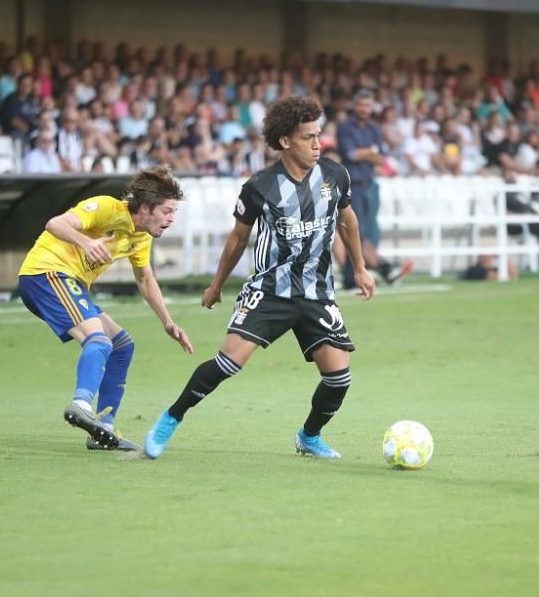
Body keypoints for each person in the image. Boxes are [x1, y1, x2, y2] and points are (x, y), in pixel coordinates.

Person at [143, 94, 377, 460]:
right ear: (285, 141)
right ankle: (171, 418)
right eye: (307, 137)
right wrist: (217, 285)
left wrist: (360, 268)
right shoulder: (260, 186)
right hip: (270, 290)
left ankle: (309, 436)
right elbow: (238, 237)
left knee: (338, 378)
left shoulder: (335, 175)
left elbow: (347, 219)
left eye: (319, 136)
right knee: (228, 363)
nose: (317, 144)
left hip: (317, 293)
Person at [17, 166, 193, 451]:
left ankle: (103, 427)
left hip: (67, 282)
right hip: (45, 274)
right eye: (168, 211)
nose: (172, 219)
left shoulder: (141, 236)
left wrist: (168, 322)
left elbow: (145, 278)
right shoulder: (106, 208)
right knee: (98, 340)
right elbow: (55, 224)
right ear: (146, 208)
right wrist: (85, 242)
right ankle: (81, 404)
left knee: (121, 345)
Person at [337, 90, 412, 289]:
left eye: (368, 106)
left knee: (367, 233)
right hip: (351, 185)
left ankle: (351, 276)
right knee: (355, 231)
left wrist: (367, 154)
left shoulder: (374, 129)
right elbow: (350, 154)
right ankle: (383, 268)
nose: (364, 110)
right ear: (355, 106)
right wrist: (370, 153)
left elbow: (381, 158)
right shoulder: (345, 127)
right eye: (361, 105)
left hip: (369, 185)